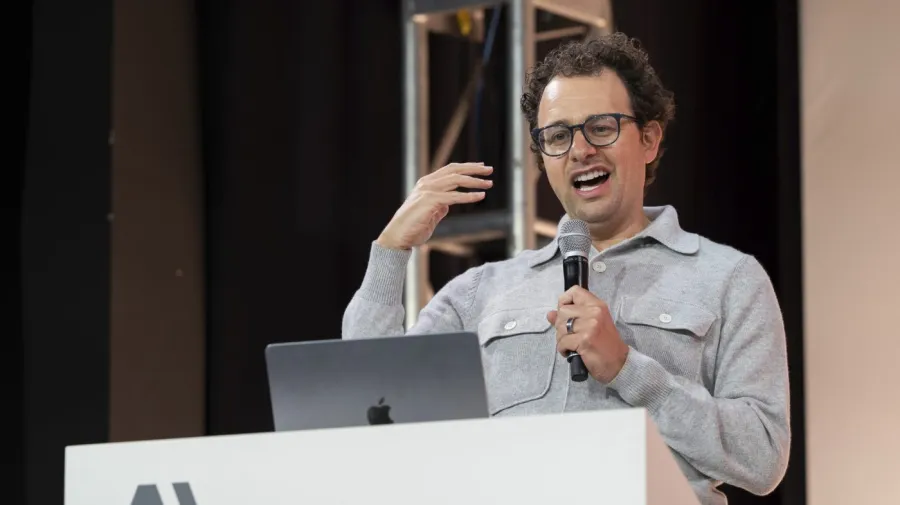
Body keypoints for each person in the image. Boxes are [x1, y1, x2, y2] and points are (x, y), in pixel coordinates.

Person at [342, 33, 789, 505]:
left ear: (649, 139)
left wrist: (628, 369)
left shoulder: (728, 278)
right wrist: (391, 249)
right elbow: (369, 404)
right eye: (558, 137)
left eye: (601, 128)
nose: (580, 150)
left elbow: (762, 458)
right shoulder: (480, 291)